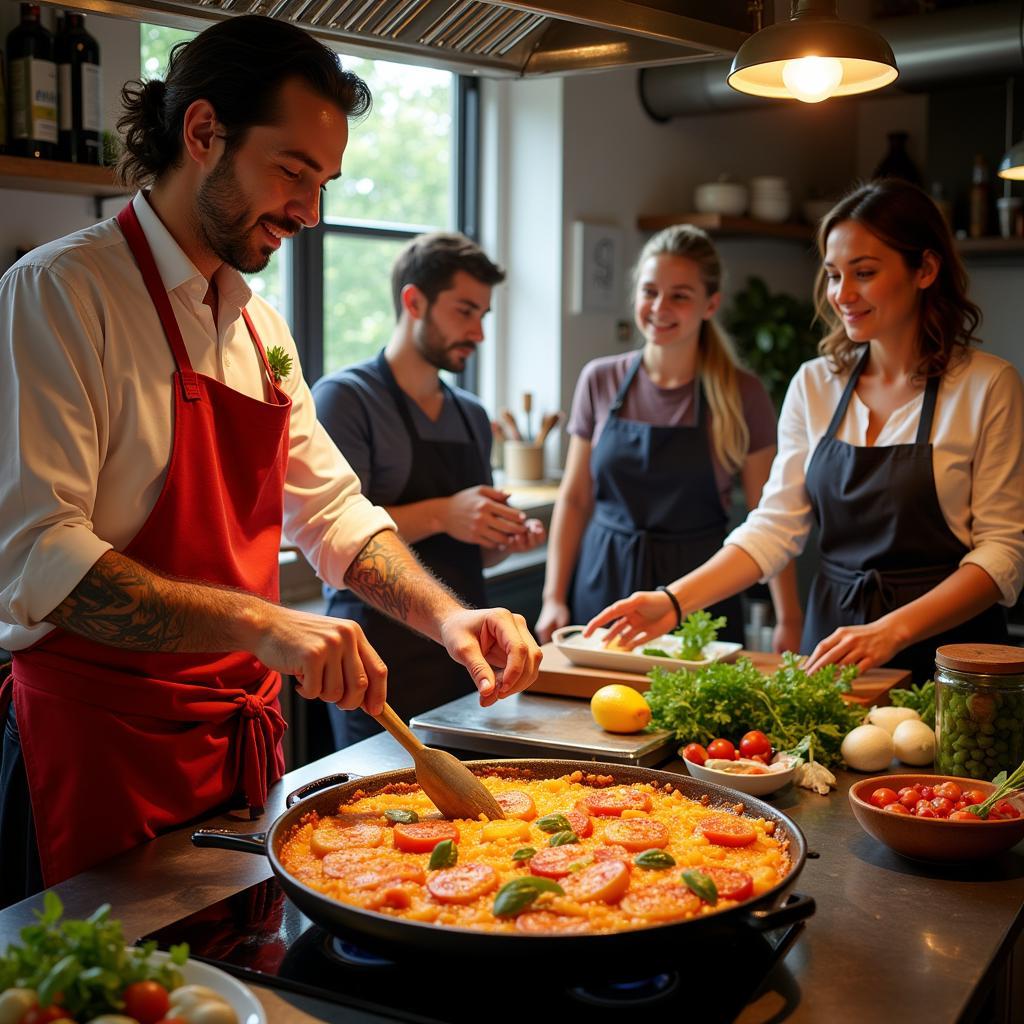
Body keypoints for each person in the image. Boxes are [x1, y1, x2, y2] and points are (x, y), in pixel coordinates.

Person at [0, 15, 541, 903]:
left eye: (323, 182)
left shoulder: (256, 325)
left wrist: (446, 617)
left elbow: (332, 515)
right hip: (95, 751)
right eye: (292, 172)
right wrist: (262, 625)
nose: (309, 212)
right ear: (203, 132)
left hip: (234, 750)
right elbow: (36, 560)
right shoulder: (61, 294)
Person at [585, 179, 1024, 683]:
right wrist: (672, 601)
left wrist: (892, 631)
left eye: (864, 273)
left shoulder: (988, 385)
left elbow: (1002, 554)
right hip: (833, 645)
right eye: (835, 275)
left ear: (925, 269)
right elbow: (774, 527)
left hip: (956, 661)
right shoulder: (816, 384)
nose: (842, 294)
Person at [313, 233, 546, 747]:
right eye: (465, 311)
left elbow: (473, 558)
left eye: (483, 315)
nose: (478, 332)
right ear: (413, 301)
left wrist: (498, 539)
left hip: (461, 657)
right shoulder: (344, 400)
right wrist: (446, 513)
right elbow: (334, 526)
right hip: (376, 659)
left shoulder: (472, 414)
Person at [536, 224, 802, 651]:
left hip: (700, 590)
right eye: (649, 291)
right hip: (603, 582)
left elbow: (768, 515)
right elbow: (575, 498)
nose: (660, 307)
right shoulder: (600, 379)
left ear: (710, 303)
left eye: (680, 295)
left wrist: (789, 618)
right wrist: (553, 597)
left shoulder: (742, 394)